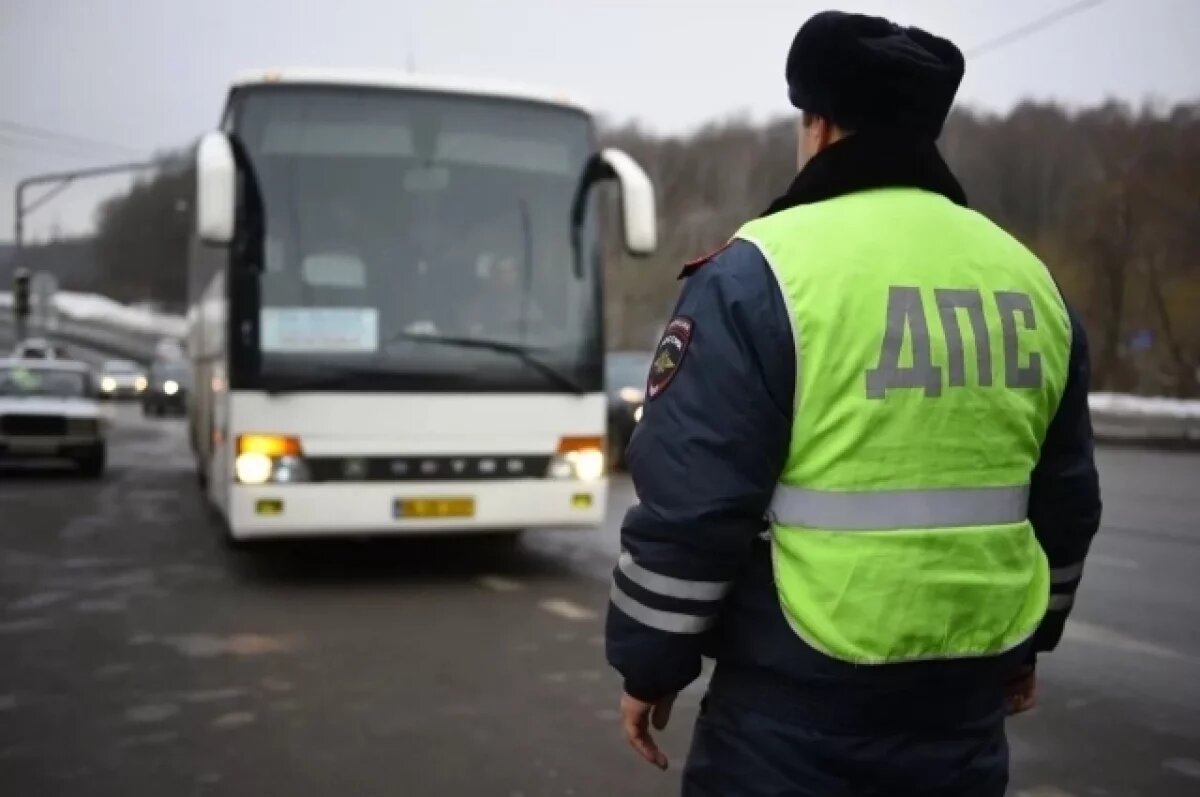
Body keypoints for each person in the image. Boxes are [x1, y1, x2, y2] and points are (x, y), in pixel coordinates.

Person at [604, 10, 1103, 797]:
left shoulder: (759, 274)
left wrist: (650, 664)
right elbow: (1066, 497)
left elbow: (692, 500)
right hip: (966, 705)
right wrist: (1031, 642)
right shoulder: (1028, 279)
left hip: (796, 710)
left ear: (818, 124)